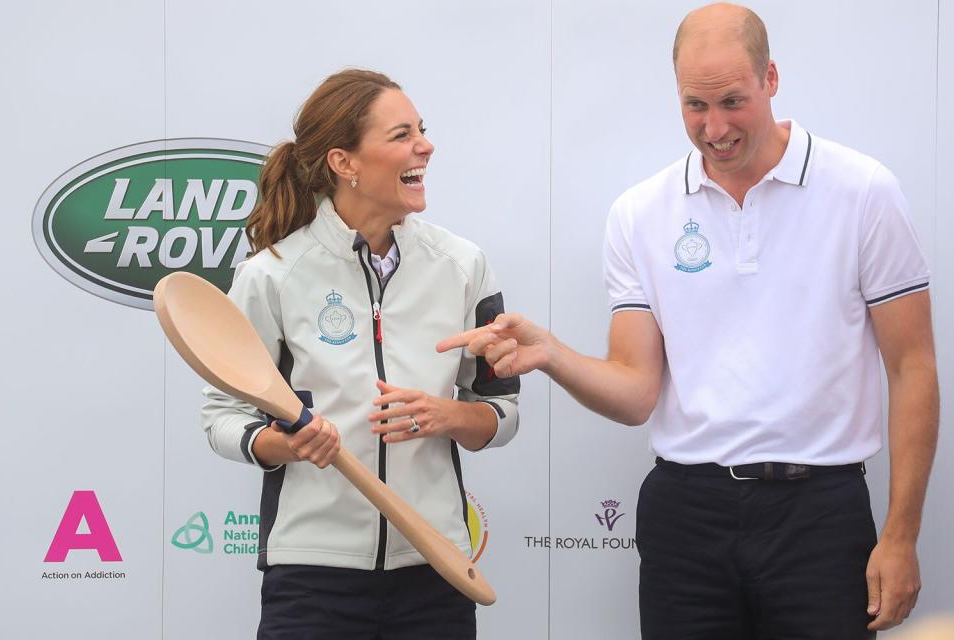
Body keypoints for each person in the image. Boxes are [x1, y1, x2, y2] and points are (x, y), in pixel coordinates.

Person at [439, 3, 937, 638]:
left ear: (772, 79)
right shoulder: (640, 213)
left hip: (820, 513)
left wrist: (901, 534)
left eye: (733, 101)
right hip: (686, 515)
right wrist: (552, 353)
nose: (715, 127)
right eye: (695, 106)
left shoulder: (863, 191)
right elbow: (636, 393)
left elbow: (913, 366)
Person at [201, 69, 519, 640]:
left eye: (422, 130)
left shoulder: (463, 265)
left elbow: (502, 412)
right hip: (312, 580)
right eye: (401, 135)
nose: (425, 145)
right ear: (343, 163)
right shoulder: (271, 274)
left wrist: (451, 416)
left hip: (436, 569)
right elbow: (222, 418)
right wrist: (283, 445)